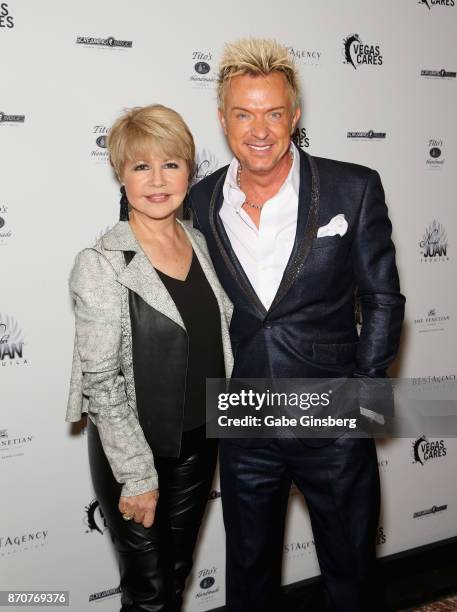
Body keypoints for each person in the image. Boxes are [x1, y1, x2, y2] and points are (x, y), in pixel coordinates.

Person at [187, 39, 405, 612]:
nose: (259, 129)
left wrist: (364, 399)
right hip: (244, 423)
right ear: (223, 120)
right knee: (248, 579)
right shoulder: (199, 201)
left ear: (295, 116)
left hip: (332, 418)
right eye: (244, 113)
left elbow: (382, 298)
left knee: (351, 576)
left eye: (273, 112)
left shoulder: (352, 188)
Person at [66, 104, 233, 612]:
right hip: (134, 450)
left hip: (200, 442)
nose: (158, 181)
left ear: (190, 169)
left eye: (171, 164)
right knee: (150, 593)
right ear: (122, 175)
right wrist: (137, 475)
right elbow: (103, 381)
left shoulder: (200, 242)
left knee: (176, 577)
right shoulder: (101, 263)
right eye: (141, 167)